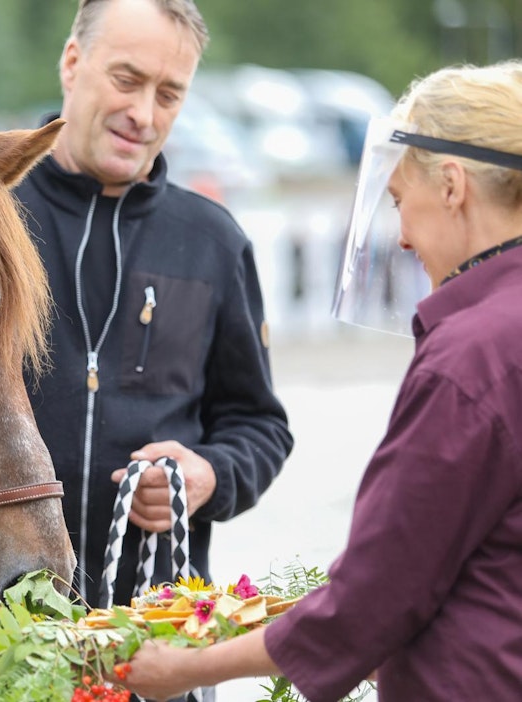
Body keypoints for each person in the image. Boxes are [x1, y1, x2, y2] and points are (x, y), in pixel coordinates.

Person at [123, 59, 522, 702]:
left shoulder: (471, 356)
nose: (405, 240)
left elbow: (378, 594)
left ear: (452, 185)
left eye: (399, 203)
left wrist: (187, 668)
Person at [0, 0, 293, 696]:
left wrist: (209, 476)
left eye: (169, 93)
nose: (145, 114)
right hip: (0, 636)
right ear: (72, 62)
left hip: (161, 644)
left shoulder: (213, 241)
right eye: (126, 79)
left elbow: (259, 424)